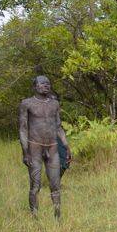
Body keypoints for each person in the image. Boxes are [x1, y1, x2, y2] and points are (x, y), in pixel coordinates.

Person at [19, 76, 72, 220]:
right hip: (34, 147)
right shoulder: (27, 103)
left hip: (53, 147)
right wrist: (25, 152)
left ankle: (57, 217)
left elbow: (58, 126)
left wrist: (66, 146)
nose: (46, 86)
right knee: (35, 186)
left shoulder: (54, 104)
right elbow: (23, 129)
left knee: (55, 185)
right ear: (35, 86)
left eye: (48, 83)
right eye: (42, 83)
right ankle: (34, 217)